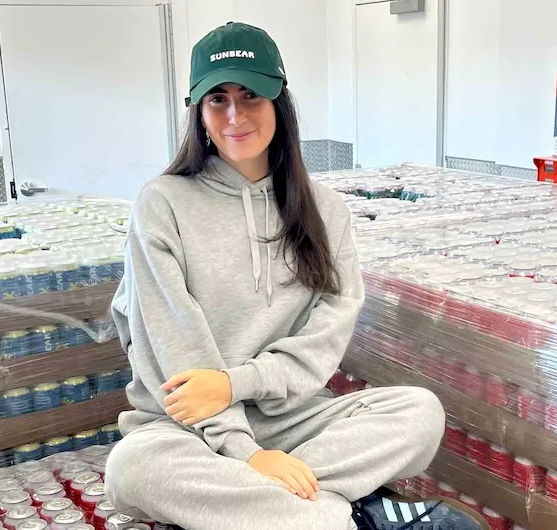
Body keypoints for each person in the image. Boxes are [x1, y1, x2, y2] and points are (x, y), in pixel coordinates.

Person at [105, 22, 485, 530]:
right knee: (132, 469)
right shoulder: (162, 203)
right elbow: (172, 347)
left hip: (296, 421)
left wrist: (237, 385)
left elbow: (325, 338)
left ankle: (283, 509)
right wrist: (244, 451)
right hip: (185, 429)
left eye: (252, 96)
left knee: (419, 412)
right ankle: (342, 514)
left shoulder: (325, 211)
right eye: (217, 99)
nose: (235, 115)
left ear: (279, 101)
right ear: (198, 112)